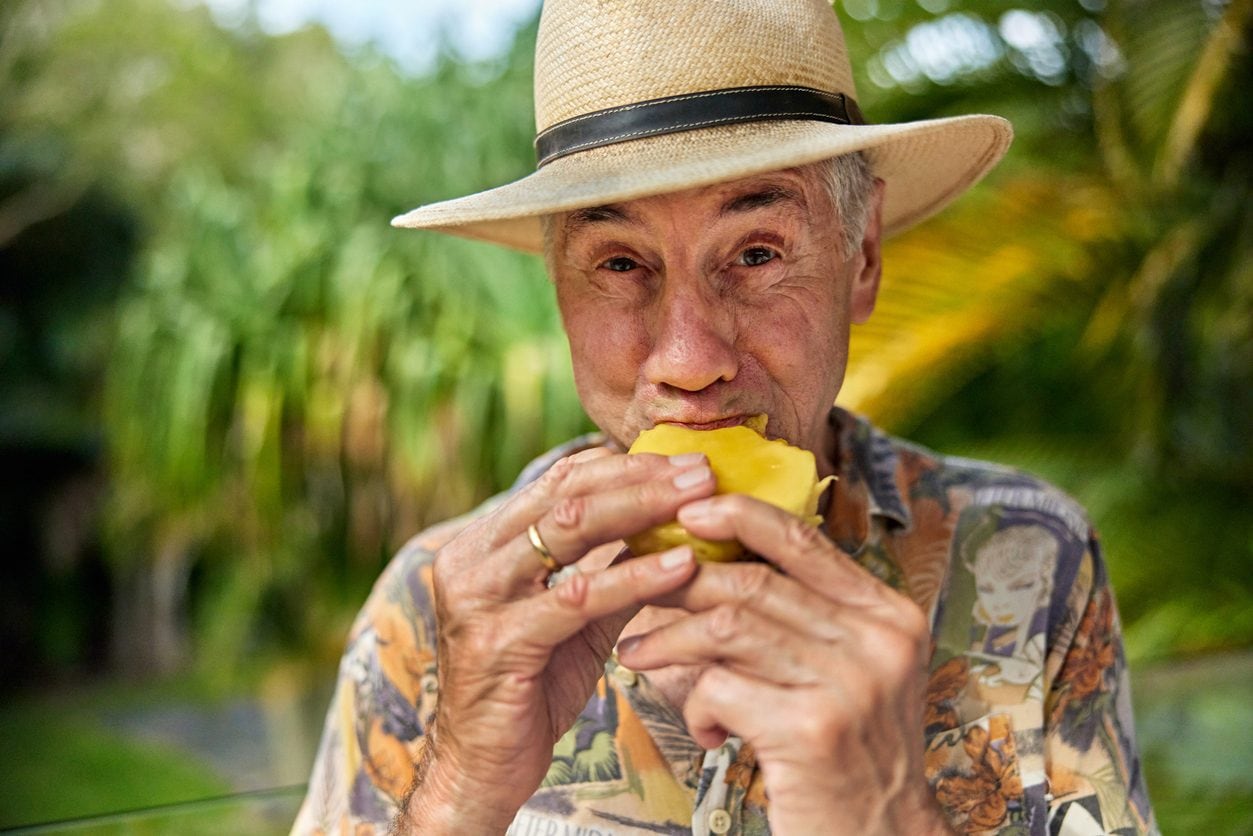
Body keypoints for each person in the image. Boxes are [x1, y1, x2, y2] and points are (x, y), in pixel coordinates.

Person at [293, 0, 1156, 833]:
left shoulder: (1025, 556)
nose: (689, 358)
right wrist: (456, 794)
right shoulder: (436, 598)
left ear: (861, 257)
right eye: (621, 263)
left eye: (755, 253)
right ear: (560, 293)